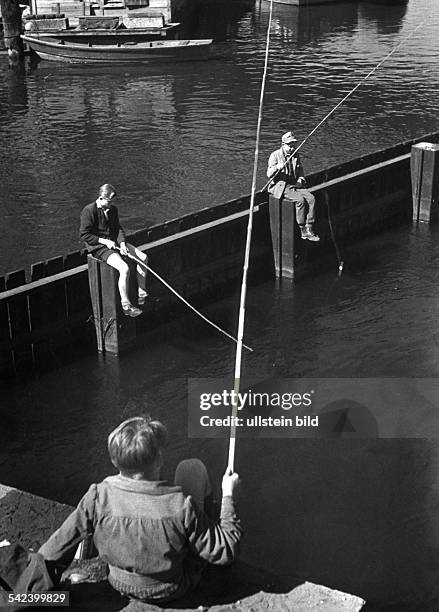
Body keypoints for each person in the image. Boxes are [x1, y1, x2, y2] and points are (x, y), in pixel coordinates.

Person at [38, 416, 242, 605]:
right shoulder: (180, 505)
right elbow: (227, 550)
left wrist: (34, 580)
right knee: (191, 468)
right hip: (171, 588)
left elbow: (57, 545)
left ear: (114, 460)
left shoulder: (97, 495)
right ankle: (208, 529)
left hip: (118, 582)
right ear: (159, 459)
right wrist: (228, 495)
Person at [79, 184, 149, 317]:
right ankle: (126, 305)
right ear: (101, 198)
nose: (111, 204)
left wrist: (122, 244)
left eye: (113, 201)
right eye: (109, 201)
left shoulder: (113, 210)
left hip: (115, 243)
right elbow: (84, 235)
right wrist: (104, 241)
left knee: (143, 257)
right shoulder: (88, 211)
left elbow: (118, 229)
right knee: (124, 268)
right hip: (99, 248)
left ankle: (141, 292)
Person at [267, 131, 320, 241]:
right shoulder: (275, 155)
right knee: (300, 200)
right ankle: (302, 229)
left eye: (293, 145)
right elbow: (268, 174)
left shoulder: (295, 155)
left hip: (294, 184)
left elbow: (300, 170)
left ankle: (309, 226)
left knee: (311, 199)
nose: (292, 147)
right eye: (289, 145)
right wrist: (277, 167)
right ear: (283, 145)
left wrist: (301, 179)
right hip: (282, 186)